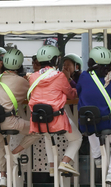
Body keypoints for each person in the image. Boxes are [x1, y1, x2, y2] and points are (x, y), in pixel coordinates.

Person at [0, 48, 41, 187]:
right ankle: (14, 154)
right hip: (9, 121)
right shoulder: (22, 82)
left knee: (1, 146)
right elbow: (31, 95)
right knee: (38, 129)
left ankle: (3, 176)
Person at [27, 45, 83, 176]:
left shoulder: (33, 77)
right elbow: (71, 95)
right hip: (57, 119)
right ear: (54, 60)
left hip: (38, 120)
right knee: (77, 139)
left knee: (47, 134)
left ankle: (52, 166)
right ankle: (65, 162)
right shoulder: (59, 76)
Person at [76, 46, 111, 186]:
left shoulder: (84, 76)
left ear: (91, 61)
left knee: (90, 125)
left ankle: (97, 157)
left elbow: (79, 91)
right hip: (105, 121)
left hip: (85, 122)